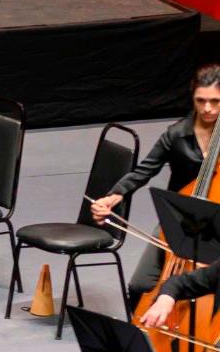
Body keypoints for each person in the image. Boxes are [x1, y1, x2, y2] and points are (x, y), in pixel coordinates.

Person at [91, 63, 220, 311]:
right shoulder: (176, 134)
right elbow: (144, 171)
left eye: (215, 101)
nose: (207, 108)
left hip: (216, 230)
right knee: (139, 286)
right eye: (201, 100)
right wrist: (113, 196)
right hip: (177, 223)